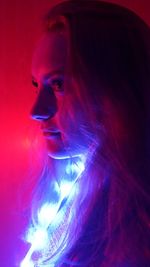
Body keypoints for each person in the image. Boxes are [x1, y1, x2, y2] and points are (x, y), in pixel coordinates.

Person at [20, 1, 150, 266]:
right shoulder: (77, 185)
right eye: (37, 84)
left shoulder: (139, 230)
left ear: (116, 88)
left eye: (59, 83)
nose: (36, 111)